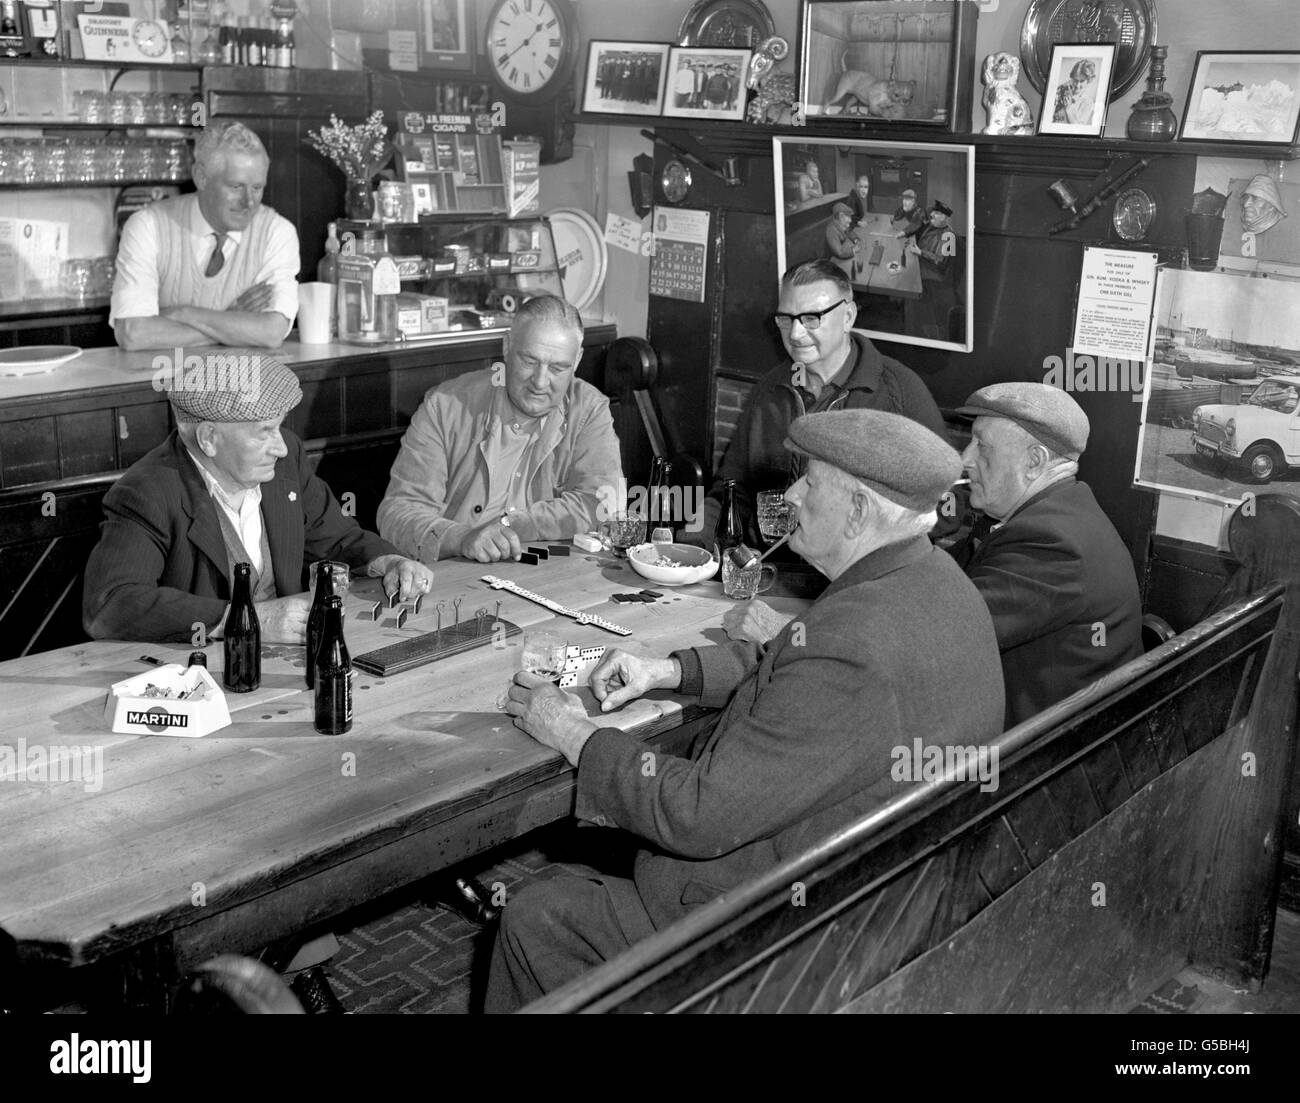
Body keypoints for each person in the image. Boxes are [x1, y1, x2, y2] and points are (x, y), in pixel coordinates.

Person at [486, 409, 1005, 1010]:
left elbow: (696, 815)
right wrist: (673, 671)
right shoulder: (936, 584)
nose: (792, 496)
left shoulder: (854, 644)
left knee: (536, 914)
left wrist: (572, 731)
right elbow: (799, 672)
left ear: (860, 511)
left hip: (780, 943)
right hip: (894, 894)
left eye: (811, 482)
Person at [83, 353, 433, 645]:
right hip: (203, 675)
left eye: (279, 427)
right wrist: (245, 619)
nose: (281, 446)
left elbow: (337, 538)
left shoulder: (284, 459)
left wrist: (387, 561)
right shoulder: (148, 492)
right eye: (265, 431)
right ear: (209, 438)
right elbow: (110, 606)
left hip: (292, 659)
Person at [688, 259, 944, 547]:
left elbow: (946, 505)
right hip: (768, 570)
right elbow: (731, 491)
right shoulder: (770, 390)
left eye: (812, 318)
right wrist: (691, 544)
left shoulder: (900, 393)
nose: (795, 334)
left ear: (848, 316)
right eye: (786, 319)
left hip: (850, 578)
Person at [377, 294, 623, 563]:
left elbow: (602, 503)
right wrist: (461, 538)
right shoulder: (446, 406)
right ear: (506, 346)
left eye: (557, 368)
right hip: (453, 575)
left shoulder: (588, 411)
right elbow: (396, 513)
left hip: (546, 572)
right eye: (529, 361)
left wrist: (512, 526)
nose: (540, 382)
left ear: (576, 361)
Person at [952, 382, 1143, 728]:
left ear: (1034, 461)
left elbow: (945, 630)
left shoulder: (1052, 545)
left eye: (982, 447)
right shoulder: (1054, 513)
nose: (965, 459)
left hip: (1039, 760)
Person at [110, 121, 299, 352]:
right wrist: (232, 323)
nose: (249, 202)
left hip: (245, 384)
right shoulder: (147, 226)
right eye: (236, 187)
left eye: (257, 188)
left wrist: (183, 313)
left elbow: (271, 332)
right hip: (160, 382)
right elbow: (133, 333)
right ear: (201, 177)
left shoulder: (276, 232)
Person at [905, 199, 958, 341]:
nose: (933, 214)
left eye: (937, 213)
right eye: (934, 211)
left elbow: (940, 261)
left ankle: (912, 320)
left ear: (945, 218)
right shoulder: (931, 225)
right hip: (922, 260)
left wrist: (921, 253)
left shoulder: (949, 236)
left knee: (907, 274)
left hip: (935, 271)